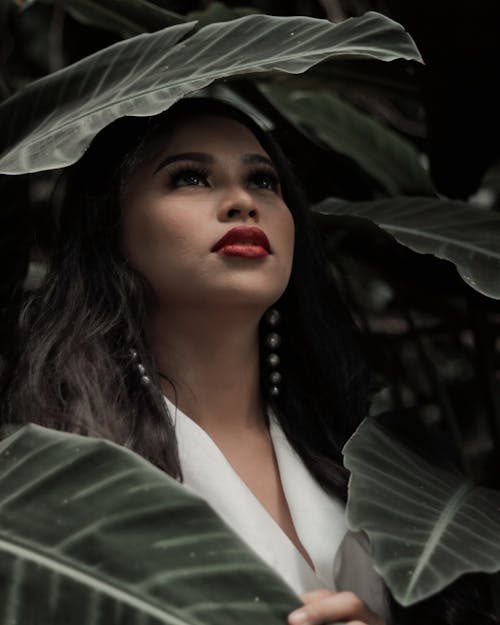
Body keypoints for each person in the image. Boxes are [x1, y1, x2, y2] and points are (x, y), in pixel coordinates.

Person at [1, 97, 494, 625]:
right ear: (111, 225)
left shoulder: (375, 458)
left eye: (263, 181)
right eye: (189, 178)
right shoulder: (46, 470)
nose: (241, 201)